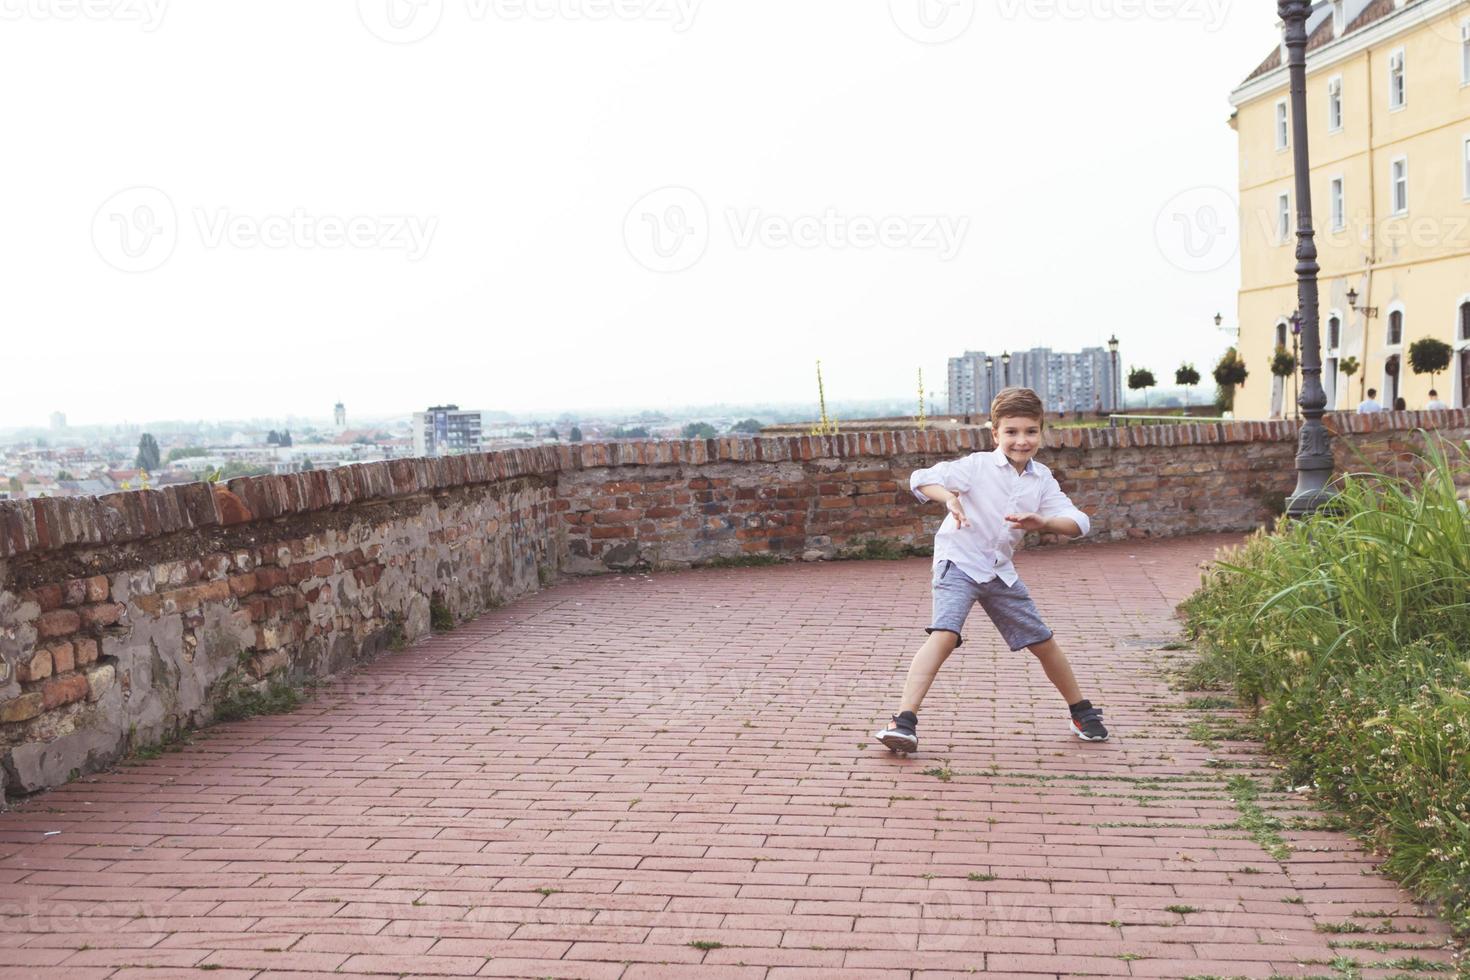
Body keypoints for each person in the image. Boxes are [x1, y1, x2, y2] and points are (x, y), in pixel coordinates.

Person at [874, 387, 1108, 753]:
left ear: (1041, 432)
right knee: (946, 633)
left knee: (1043, 642)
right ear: (995, 434)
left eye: (1030, 431)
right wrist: (949, 497)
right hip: (959, 560)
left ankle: (1081, 711)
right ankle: (902, 721)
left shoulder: (1042, 479)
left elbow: (1079, 522)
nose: (1021, 440)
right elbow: (921, 479)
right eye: (1011, 432)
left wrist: (1044, 522)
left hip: (999, 571)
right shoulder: (977, 466)